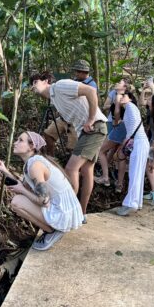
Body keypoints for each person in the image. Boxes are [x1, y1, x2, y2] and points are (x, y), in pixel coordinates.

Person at [30, 72, 107, 221]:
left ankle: (69, 212)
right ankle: (81, 213)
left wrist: (91, 119)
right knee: (86, 170)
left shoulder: (60, 86)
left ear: (46, 81)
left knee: (71, 169)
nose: (32, 86)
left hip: (94, 128)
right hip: (90, 131)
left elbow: (90, 91)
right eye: (31, 83)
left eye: (35, 82)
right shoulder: (55, 99)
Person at [0, 131, 83, 251]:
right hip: (61, 207)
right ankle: (52, 229)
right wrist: (4, 170)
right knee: (20, 198)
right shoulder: (32, 162)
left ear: (32, 146)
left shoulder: (35, 166)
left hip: (63, 212)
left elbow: (43, 201)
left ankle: (52, 231)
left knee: (17, 202)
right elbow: (24, 186)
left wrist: (21, 190)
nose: (15, 143)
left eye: (20, 140)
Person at [43, 60, 97, 156]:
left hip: (76, 120)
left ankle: (73, 168)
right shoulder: (75, 81)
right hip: (64, 118)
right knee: (48, 135)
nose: (75, 74)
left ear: (82, 72)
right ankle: (51, 160)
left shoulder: (91, 85)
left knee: (73, 149)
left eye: (77, 72)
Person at [116, 91, 150, 216]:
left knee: (134, 173)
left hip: (139, 142)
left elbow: (132, 130)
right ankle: (137, 202)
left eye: (124, 96)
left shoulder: (130, 107)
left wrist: (123, 145)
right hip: (139, 142)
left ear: (130, 99)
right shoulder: (130, 108)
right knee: (137, 173)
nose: (121, 97)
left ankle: (131, 204)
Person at [95, 79, 133, 186]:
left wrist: (116, 123)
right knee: (121, 155)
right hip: (127, 128)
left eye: (119, 83)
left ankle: (105, 177)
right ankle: (119, 184)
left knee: (101, 150)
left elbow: (116, 112)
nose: (117, 83)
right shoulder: (128, 97)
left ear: (124, 87)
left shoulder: (118, 96)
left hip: (120, 127)